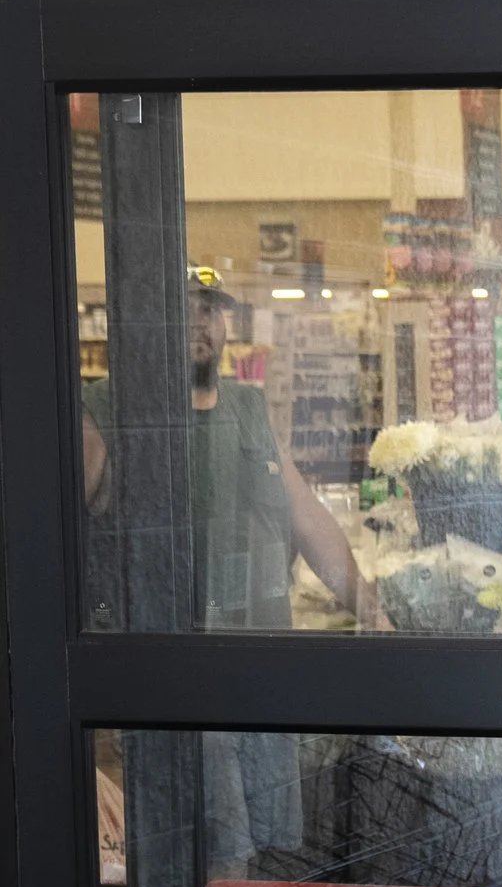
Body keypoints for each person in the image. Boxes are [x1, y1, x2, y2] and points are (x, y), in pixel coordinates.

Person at [81, 267, 387, 633]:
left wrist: (372, 614)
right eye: (181, 309)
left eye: (209, 310)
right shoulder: (103, 411)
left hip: (262, 653)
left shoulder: (248, 409)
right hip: (159, 666)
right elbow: (53, 547)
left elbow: (309, 521)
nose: (198, 322)